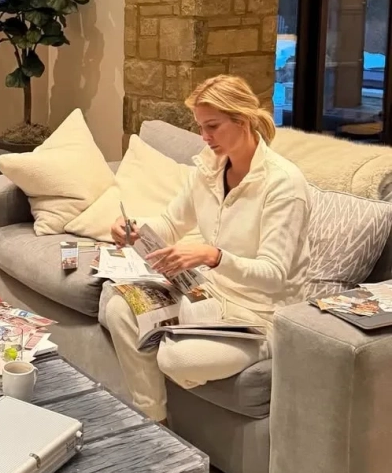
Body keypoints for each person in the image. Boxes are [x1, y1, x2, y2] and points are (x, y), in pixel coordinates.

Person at [103, 74, 311, 423]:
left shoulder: (284, 184)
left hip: (258, 316)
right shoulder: (208, 167)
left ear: (242, 119)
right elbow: (171, 222)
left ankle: (256, 349)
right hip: (205, 293)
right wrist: (133, 229)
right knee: (119, 310)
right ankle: (154, 422)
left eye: (212, 126)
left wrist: (212, 256)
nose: (204, 137)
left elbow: (274, 275)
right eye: (200, 127)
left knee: (175, 359)